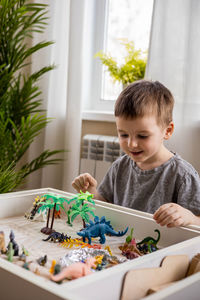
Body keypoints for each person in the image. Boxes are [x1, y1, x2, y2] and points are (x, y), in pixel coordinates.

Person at [72, 80, 200, 228]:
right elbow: (107, 210)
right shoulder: (119, 167)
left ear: (168, 131)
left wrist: (189, 218)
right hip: (121, 246)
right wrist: (90, 192)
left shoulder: (183, 175)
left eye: (143, 136)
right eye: (124, 135)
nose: (131, 144)